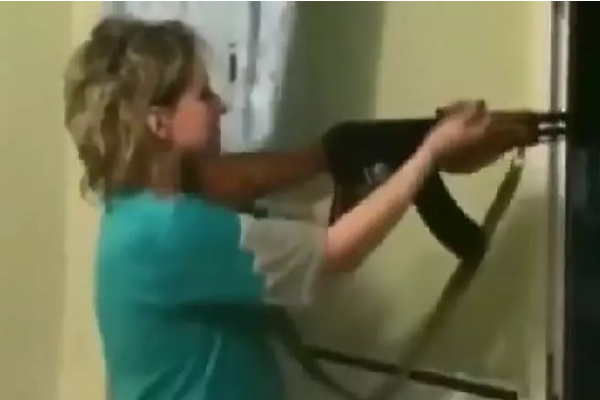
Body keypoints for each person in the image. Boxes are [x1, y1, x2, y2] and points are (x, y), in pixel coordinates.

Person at [63, 16, 535, 400]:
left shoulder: (133, 218)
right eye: (203, 95)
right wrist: (430, 153)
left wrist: (347, 158)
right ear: (159, 123)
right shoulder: (171, 231)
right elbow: (334, 253)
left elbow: (267, 215)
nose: (220, 106)